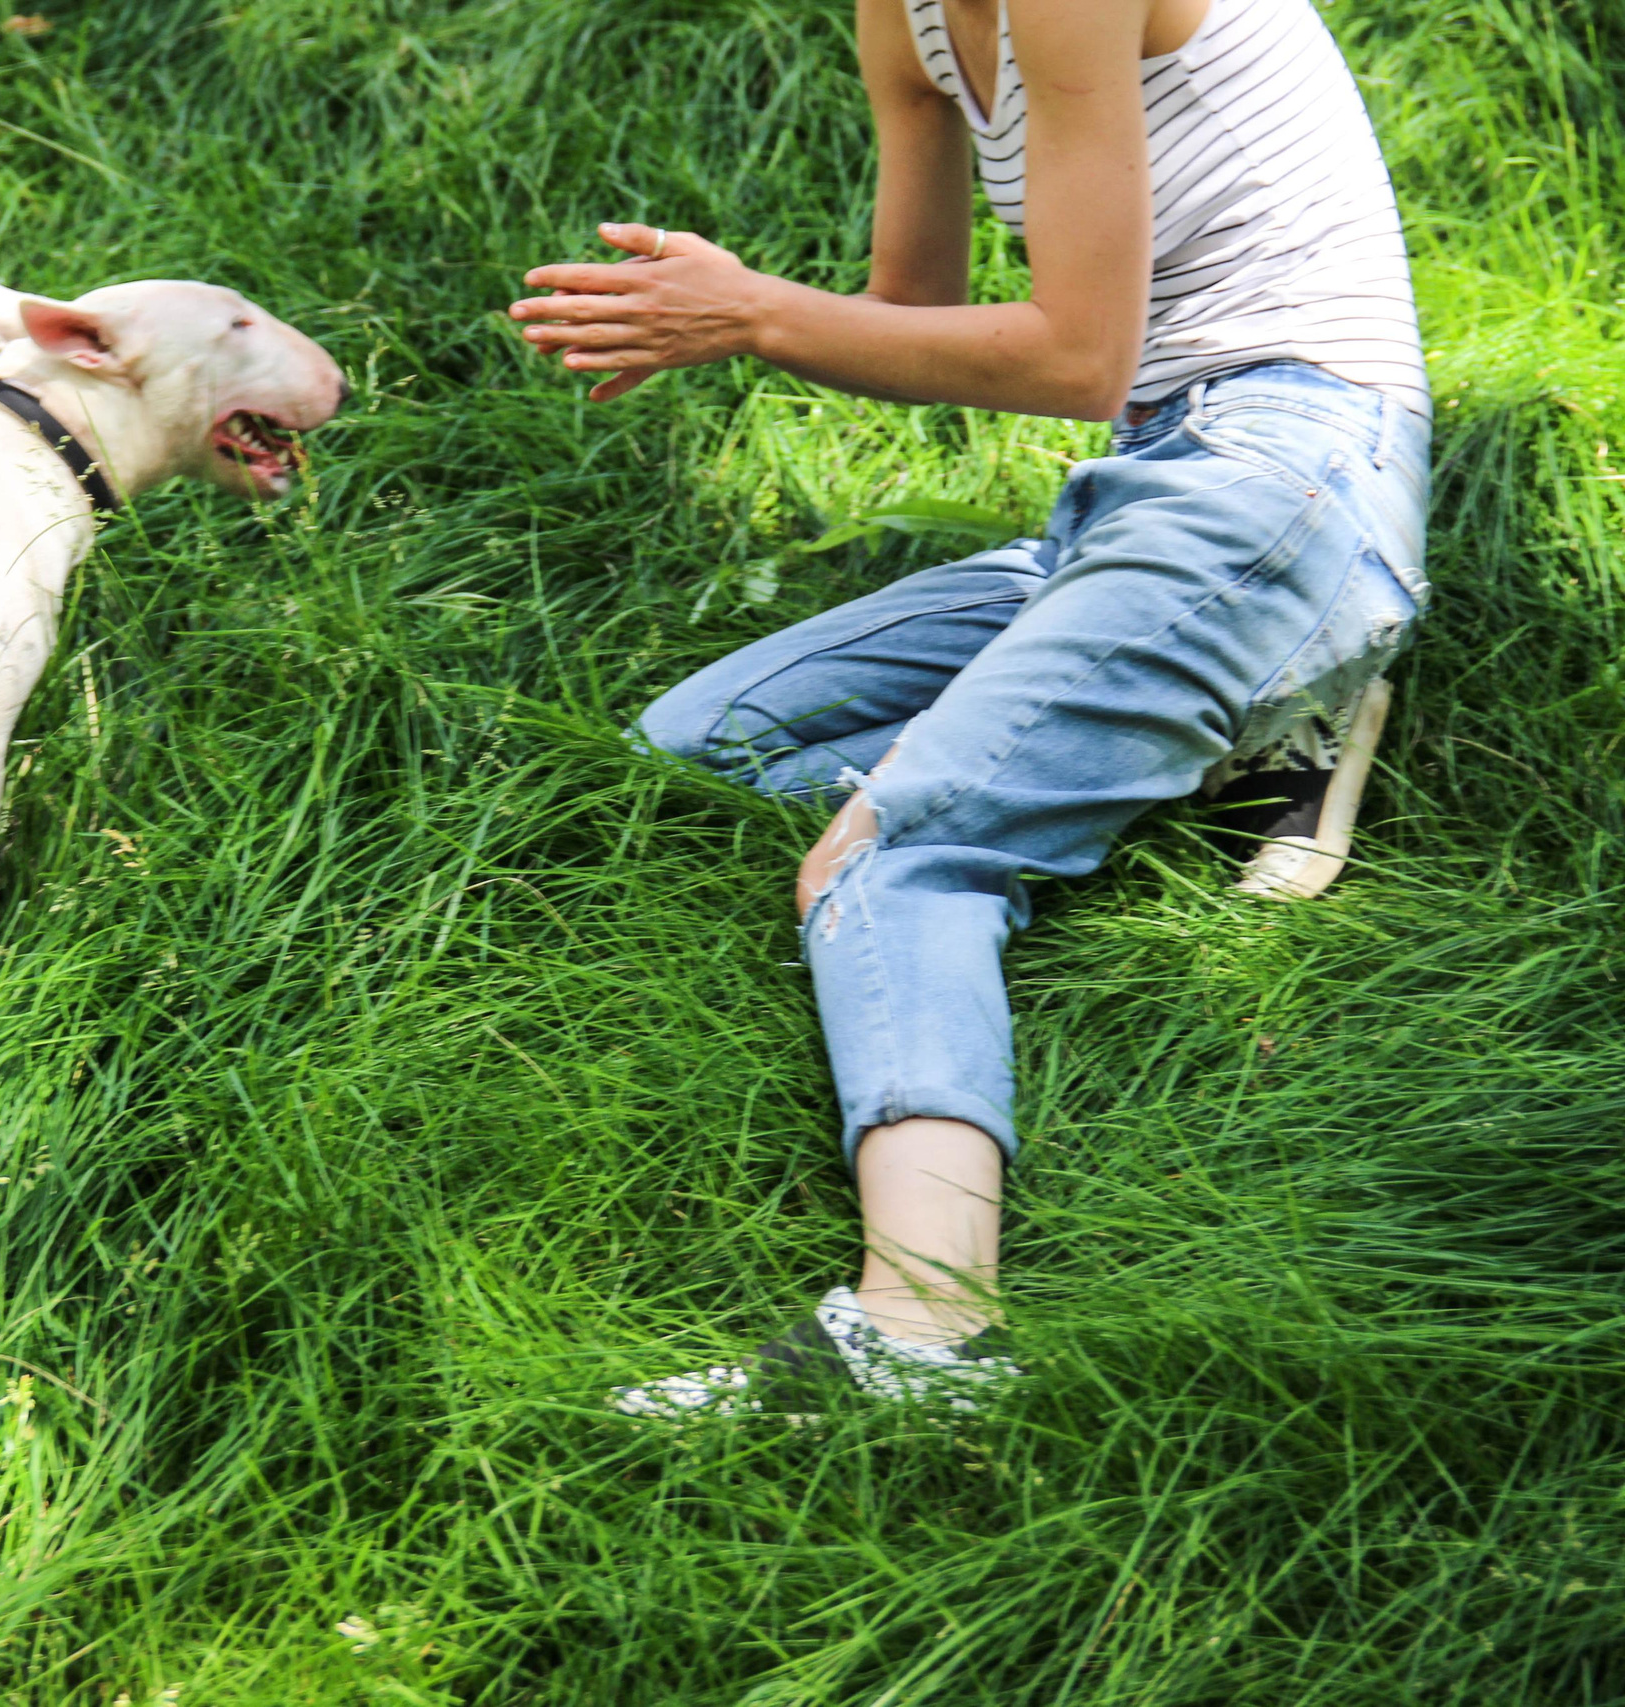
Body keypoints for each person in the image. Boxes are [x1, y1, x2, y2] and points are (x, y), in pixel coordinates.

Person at [509, 0, 1429, 1415]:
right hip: (1140, 492)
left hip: (1282, 473)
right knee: (695, 754)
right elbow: (921, 319)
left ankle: (927, 1335)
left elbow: (1076, 359)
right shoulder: (906, 14)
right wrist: (736, 311)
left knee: (892, 858)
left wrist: (753, 314)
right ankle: (1272, 702)